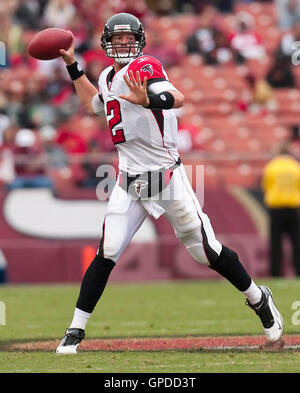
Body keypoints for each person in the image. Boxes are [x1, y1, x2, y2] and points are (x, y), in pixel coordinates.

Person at [55, 13, 283, 354]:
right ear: (106, 43)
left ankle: (258, 298)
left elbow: (176, 97)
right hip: (129, 181)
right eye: (116, 40)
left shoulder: (145, 67)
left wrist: (148, 99)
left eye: (127, 38)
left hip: (167, 178)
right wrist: (73, 65)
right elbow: (92, 103)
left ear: (139, 40)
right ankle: (75, 330)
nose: (122, 45)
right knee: (108, 251)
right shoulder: (105, 76)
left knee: (206, 252)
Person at [262, 142, 300, 277]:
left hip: (276, 208)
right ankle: (298, 270)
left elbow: (266, 185)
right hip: (293, 207)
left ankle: (275, 271)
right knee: (296, 241)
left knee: (276, 242)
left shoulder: (271, 167)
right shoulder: (296, 167)